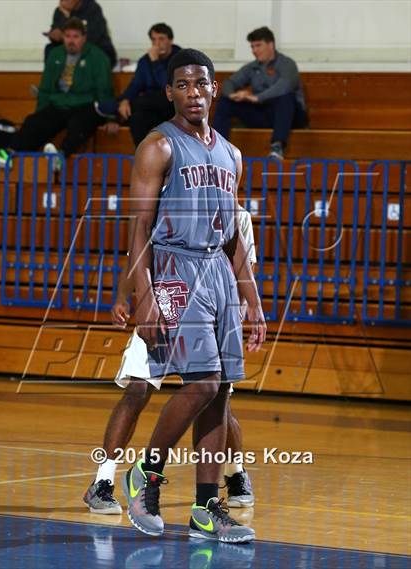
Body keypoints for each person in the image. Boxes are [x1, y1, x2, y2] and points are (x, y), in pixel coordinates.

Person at [119, 48, 266, 542]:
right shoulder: (158, 146)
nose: (193, 92)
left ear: (214, 88)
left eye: (200, 83)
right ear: (170, 92)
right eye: (182, 85)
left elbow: (232, 237)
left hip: (219, 273)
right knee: (202, 382)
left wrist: (254, 301)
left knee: (220, 393)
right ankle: (148, 474)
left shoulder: (232, 154)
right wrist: (143, 297)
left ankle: (206, 511)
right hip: (175, 268)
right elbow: (138, 227)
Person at [83, 204, 257, 516]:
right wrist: (124, 297)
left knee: (215, 400)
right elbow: (137, 257)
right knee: (137, 391)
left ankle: (234, 472)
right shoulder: (163, 202)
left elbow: (244, 270)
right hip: (164, 308)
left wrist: (239, 316)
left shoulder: (236, 214)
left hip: (210, 314)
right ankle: (103, 481)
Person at [6, 18, 113, 167]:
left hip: (85, 104)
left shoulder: (98, 57)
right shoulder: (55, 54)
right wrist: (40, 112)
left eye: (75, 37)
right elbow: (45, 88)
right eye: (68, 36)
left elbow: (105, 90)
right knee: (33, 122)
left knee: (78, 124)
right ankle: (11, 154)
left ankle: (61, 156)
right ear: (62, 37)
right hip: (59, 103)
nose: (71, 41)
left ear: (84, 38)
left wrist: (111, 118)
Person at [213, 26, 308, 161]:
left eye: (258, 45)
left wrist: (258, 97)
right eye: (252, 47)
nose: (254, 51)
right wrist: (233, 95)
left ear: (271, 45)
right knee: (226, 101)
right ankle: (218, 149)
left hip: (291, 116)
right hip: (264, 114)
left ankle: (277, 147)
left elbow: (285, 86)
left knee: (286, 96)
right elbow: (229, 82)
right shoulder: (252, 67)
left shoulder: (287, 64)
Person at [96, 23, 181, 147]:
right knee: (136, 118)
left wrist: (156, 63)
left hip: (171, 105)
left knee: (153, 98)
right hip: (147, 108)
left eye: (161, 39)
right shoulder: (145, 61)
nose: (157, 43)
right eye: (154, 39)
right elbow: (135, 85)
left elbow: (169, 86)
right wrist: (125, 100)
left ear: (170, 40)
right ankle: (142, 156)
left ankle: (112, 109)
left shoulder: (179, 58)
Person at [45, 0, 117, 68]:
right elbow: (56, 32)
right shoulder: (60, 11)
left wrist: (68, 17)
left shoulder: (93, 8)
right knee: (50, 50)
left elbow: (92, 38)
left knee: (86, 53)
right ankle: (54, 79)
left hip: (95, 49)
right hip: (70, 49)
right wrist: (55, 35)